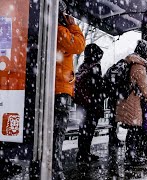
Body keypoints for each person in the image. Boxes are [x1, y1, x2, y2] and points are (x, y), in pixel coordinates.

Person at [53, 1, 85, 179]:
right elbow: (79, 44)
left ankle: (48, 165)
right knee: (58, 131)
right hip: (60, 89)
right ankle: (55, 168)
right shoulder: (60, 31)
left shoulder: (55, 30)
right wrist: (72, 24)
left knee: (54, 131)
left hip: (57, 87)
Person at [115, 40, 147, 165]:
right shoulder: (139, 66)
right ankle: (131, 156)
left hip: (126, 99)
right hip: (132, 101)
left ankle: (131, 155)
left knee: (132, 129)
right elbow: (144, 86)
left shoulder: (131, 62)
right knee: (134, 130)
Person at [74, 44, 105, 164]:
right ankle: (85, 154)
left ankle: (82, 153)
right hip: (92, 104)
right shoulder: (95, 67)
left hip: (82, 104)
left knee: (82, 129)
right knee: (89, 130)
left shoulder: (83, 67)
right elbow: (98, 88)